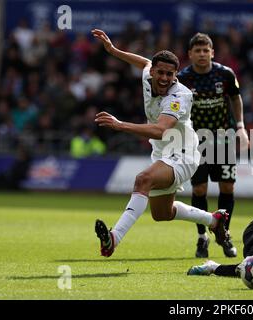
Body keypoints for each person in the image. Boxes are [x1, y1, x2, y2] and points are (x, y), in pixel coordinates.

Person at [91, 29, 229, 258]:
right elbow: (144, 61)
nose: (165, 78)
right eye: (160, 72)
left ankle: (113, 239)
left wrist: (120, 125)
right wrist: (114, 51)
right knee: (162, 213)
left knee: (142, 180)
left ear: (176, 75)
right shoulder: (148, 74)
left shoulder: (179, 96)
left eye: (170, 74)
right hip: (162, 154)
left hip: (184, 153)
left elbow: (159, 130)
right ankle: (213, 220)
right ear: (153, 72)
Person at [177, 33, 249, 258]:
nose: (201, 54)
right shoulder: (182, 78)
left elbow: (236, 98)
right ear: (190, 54)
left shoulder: (225, 74)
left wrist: (240, 126)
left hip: (223, 139)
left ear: (212, 53)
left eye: (205, 50)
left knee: (227, 187)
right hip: (195, 141)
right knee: (200, 190)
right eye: (197, 51)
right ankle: (202, 237)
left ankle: (223, 233)